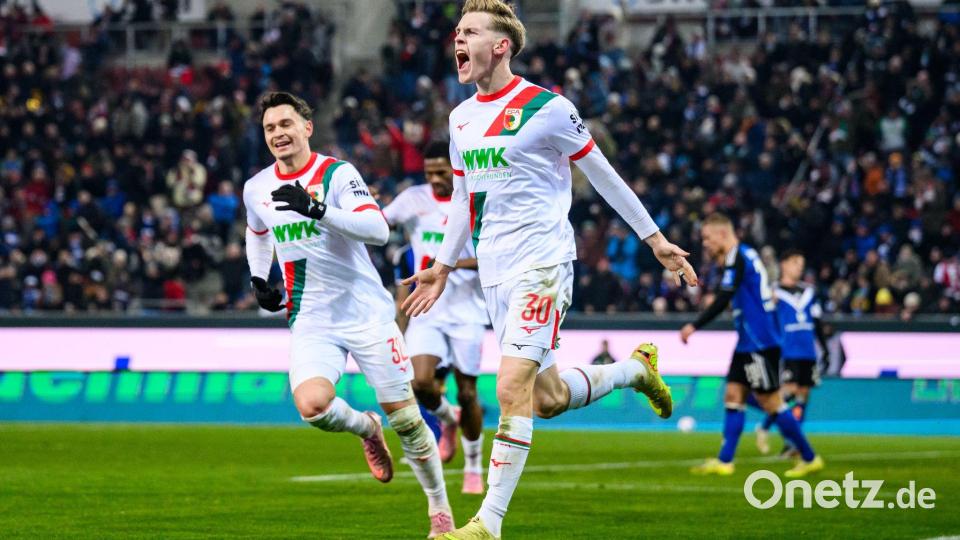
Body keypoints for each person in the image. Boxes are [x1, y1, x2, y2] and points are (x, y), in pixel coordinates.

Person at [400, 2, 698, 537]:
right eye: (456, 33)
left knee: (510, 385)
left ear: (501, 46)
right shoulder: (460, 118)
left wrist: (654, 239)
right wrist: (442, 266)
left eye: (469, 32)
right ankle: (637, 372)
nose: (457, 41)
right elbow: (465, 195)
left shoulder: (549, 108)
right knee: (547, 398)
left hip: (543, 263)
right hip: (493, 271)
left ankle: (486, 524)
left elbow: (603, 174)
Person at [242, 92, 454, 538]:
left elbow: (377, 230)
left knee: (409, 421)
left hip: (366, 314)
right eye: (269, 128)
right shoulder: (257, 187)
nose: (278, 133)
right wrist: (259, 277)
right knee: (312, 406)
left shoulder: (337, 174)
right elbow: (257, 231)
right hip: (311, 317)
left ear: (307, 127)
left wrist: (317, 209)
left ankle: (440, 512)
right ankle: (365, 427)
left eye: (286, 124)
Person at [681, 214, 824, 478]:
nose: (706, 244)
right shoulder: (746, 255)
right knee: (733, 396)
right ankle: (725, 461)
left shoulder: (738, 257)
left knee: (771, 402)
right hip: (748, 342)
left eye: (707, 237)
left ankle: (809, 456)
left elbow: (725, 296)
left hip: (760, 342)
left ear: (722, 233)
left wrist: (695, 325)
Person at [383, 140, 489, 496]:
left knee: (469, 391)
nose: (434, 180)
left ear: (456, 167)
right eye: (429, 173)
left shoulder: (477, 201)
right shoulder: (414, 199)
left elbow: (495, 255)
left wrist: (448, 264)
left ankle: (474, 465)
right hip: (426, 308)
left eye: (441, 172)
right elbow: (379, 224)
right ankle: (449, 419)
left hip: (467, 310)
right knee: (420, 383)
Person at [755, 249, 828, 456]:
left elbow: (818, 320)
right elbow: (764, 321)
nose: (800, 267)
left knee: (803, 394)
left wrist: (823, 348)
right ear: (784, 264)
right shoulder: (773, 292)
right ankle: (765, 427)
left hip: (808, 350)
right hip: (787, 350)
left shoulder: (809, 292)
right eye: (796, 262)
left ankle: (791, 442)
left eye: (801, 264)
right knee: (787, 392)